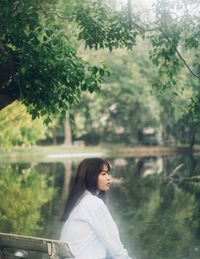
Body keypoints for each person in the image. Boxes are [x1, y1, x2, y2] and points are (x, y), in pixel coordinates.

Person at [60, 158, 132, 259]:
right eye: (103, 174)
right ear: (91, 177)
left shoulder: (79, 202)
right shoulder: (93, 204)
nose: (108, 178)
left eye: (108, 173)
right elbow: (115, 247)